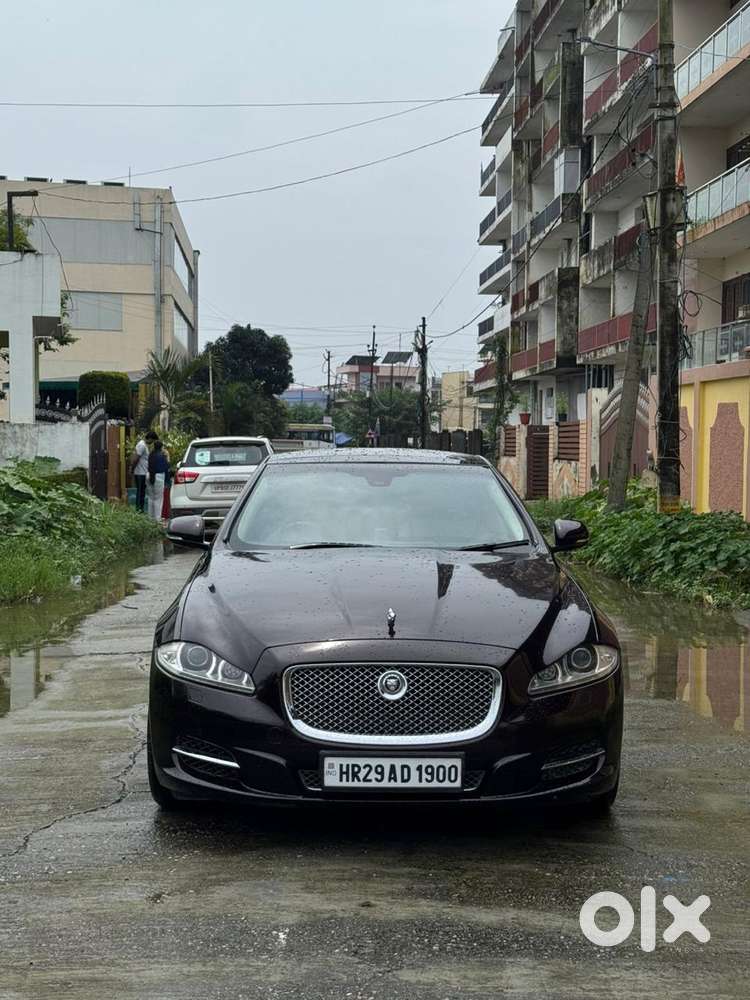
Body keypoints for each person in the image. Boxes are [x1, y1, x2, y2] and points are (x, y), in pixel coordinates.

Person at [131, 430, 157, 513]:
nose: (152, 443)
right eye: (152, 440)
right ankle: (138, 509)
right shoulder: (141, 445)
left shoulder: (144, 445)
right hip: (140, 472)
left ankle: (140, 509)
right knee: (140, 492)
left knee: (142, 492)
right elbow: (136, 458)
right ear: (149, 438)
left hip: (143, 472)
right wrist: (132, 469)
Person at [147, 439, 171, 522]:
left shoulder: (151, 454)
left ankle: (150, 518)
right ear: (161, 447)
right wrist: (168, 458)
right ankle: (157, 519)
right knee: (158, 499)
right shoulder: (162, 456)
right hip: (159, 477)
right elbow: (166, 468)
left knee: (151, 498)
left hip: (149, 475)